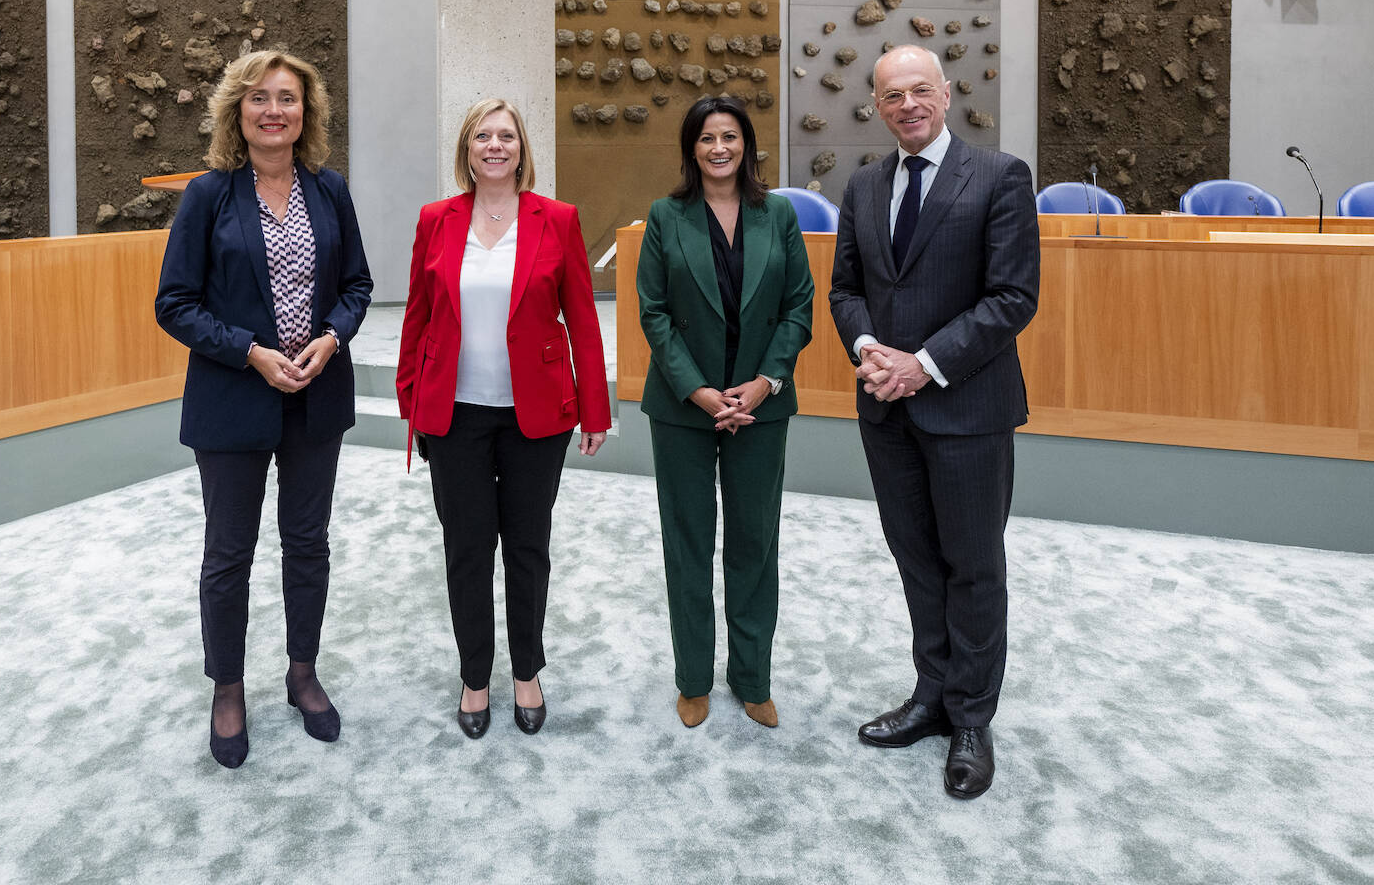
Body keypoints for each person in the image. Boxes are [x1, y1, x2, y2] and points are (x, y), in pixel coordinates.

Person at [828, 44, 1040, 799]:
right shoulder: (863, 185)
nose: (908, 104)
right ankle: (933, 696)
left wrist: (923, 364)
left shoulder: (1000, 176)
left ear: (946, 94)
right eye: (892, 95)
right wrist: (868, 349)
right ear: (877, 107)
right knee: (916, 559)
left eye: (920, 90)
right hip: (886, 411)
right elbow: (845, 290)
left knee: (973, 567)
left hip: (967, 408)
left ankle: (972, 719)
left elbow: (1012, 297)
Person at [154, 49, 373, 769]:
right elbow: (174, 304)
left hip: (316, 397)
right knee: (229, 553)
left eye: (287, 98)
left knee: (308, 543)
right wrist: (251, 352)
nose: (274, 110)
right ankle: (227, 688)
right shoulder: (208, 195)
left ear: (306, 113)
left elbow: (358, 285)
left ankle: (302, 673)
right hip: (232, 400)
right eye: (259, 98)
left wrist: (332, 338)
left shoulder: (329, 189)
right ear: (236, 111)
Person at [396, 99, 609, 740]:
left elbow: (582, 319)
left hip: (534, 417)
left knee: (527, 548)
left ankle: (526, 672)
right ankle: (474, 677)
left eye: (506, 136)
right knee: (466, 551)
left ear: (522, 149)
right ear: (467, 149)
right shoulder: (436, 219)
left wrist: (595, 408)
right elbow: (417, 317)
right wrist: (412, 402)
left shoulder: (557, 219)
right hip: (455, 414)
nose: (495, 145)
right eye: (482, 136)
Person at [635, 96, 814, 730]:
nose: (719, 148)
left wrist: (764, 384)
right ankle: (692, 679)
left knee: (754, 542)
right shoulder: (666, 215)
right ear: (692, 147)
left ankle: (752, 678)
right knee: (687, 544)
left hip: (761, 405)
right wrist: (699, 391)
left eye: (730, 136)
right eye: (707, 138)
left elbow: (799, 306)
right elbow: (654, 312)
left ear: (747, 144)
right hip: (684, 407)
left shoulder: (779, 214)